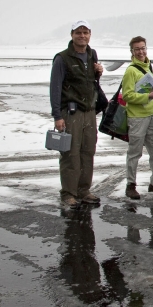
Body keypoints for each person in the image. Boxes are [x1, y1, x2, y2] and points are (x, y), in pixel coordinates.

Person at [50, 20, 104, 207]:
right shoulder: (62, 58)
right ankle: (68, 193)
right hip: (71, 113)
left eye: (85, 32)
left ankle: (83, 190)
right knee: (70, 154)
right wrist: (57, 116)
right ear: (72, 35)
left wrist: (98, 72)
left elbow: (91, 83)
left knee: (88, 151)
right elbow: (55, 88)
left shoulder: (92, 54)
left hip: (89, 111)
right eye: (78, 32)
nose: (82, 36)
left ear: (90, 34)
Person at [122, 36, 153, 199]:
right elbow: (127, 95)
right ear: (132, 52)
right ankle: (131, 185)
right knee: (135, 152)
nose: (141, 51)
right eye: (137, 49)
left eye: (143, 48)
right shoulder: (130, 70)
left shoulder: (147, 65)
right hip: (137, 117)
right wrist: (146, 97)